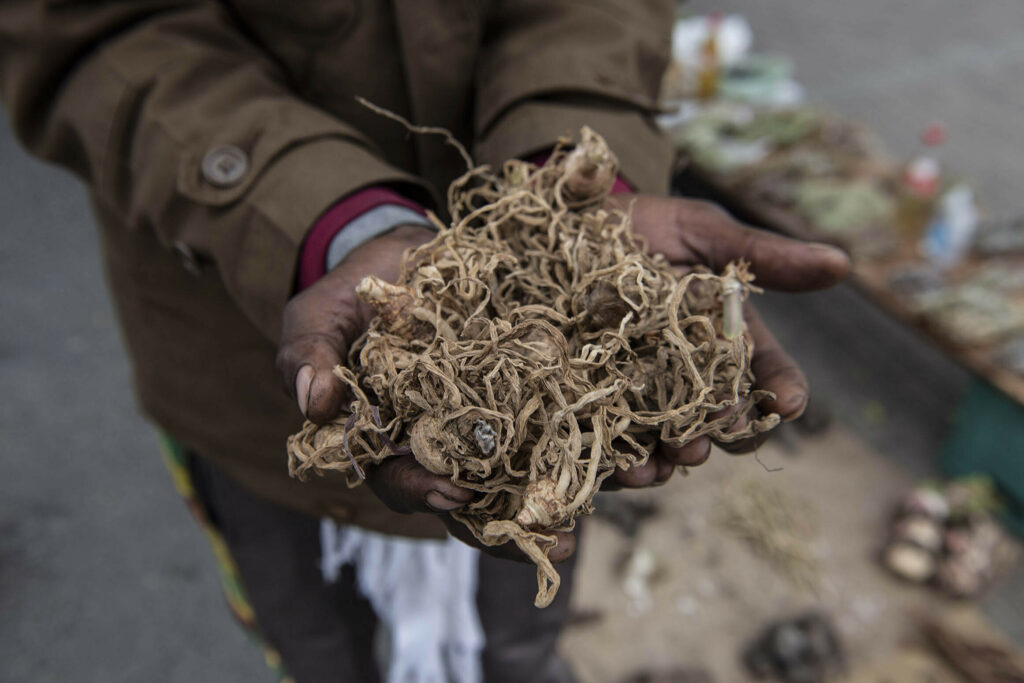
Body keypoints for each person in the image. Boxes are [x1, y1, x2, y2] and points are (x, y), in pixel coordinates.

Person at [0, 1, 850, 681]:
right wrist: (324, 221)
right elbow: (89, 29)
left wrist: (575, 166)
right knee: (321, 642)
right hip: (241, 341)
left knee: (513, 626)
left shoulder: (561, 378)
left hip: (521, 250)